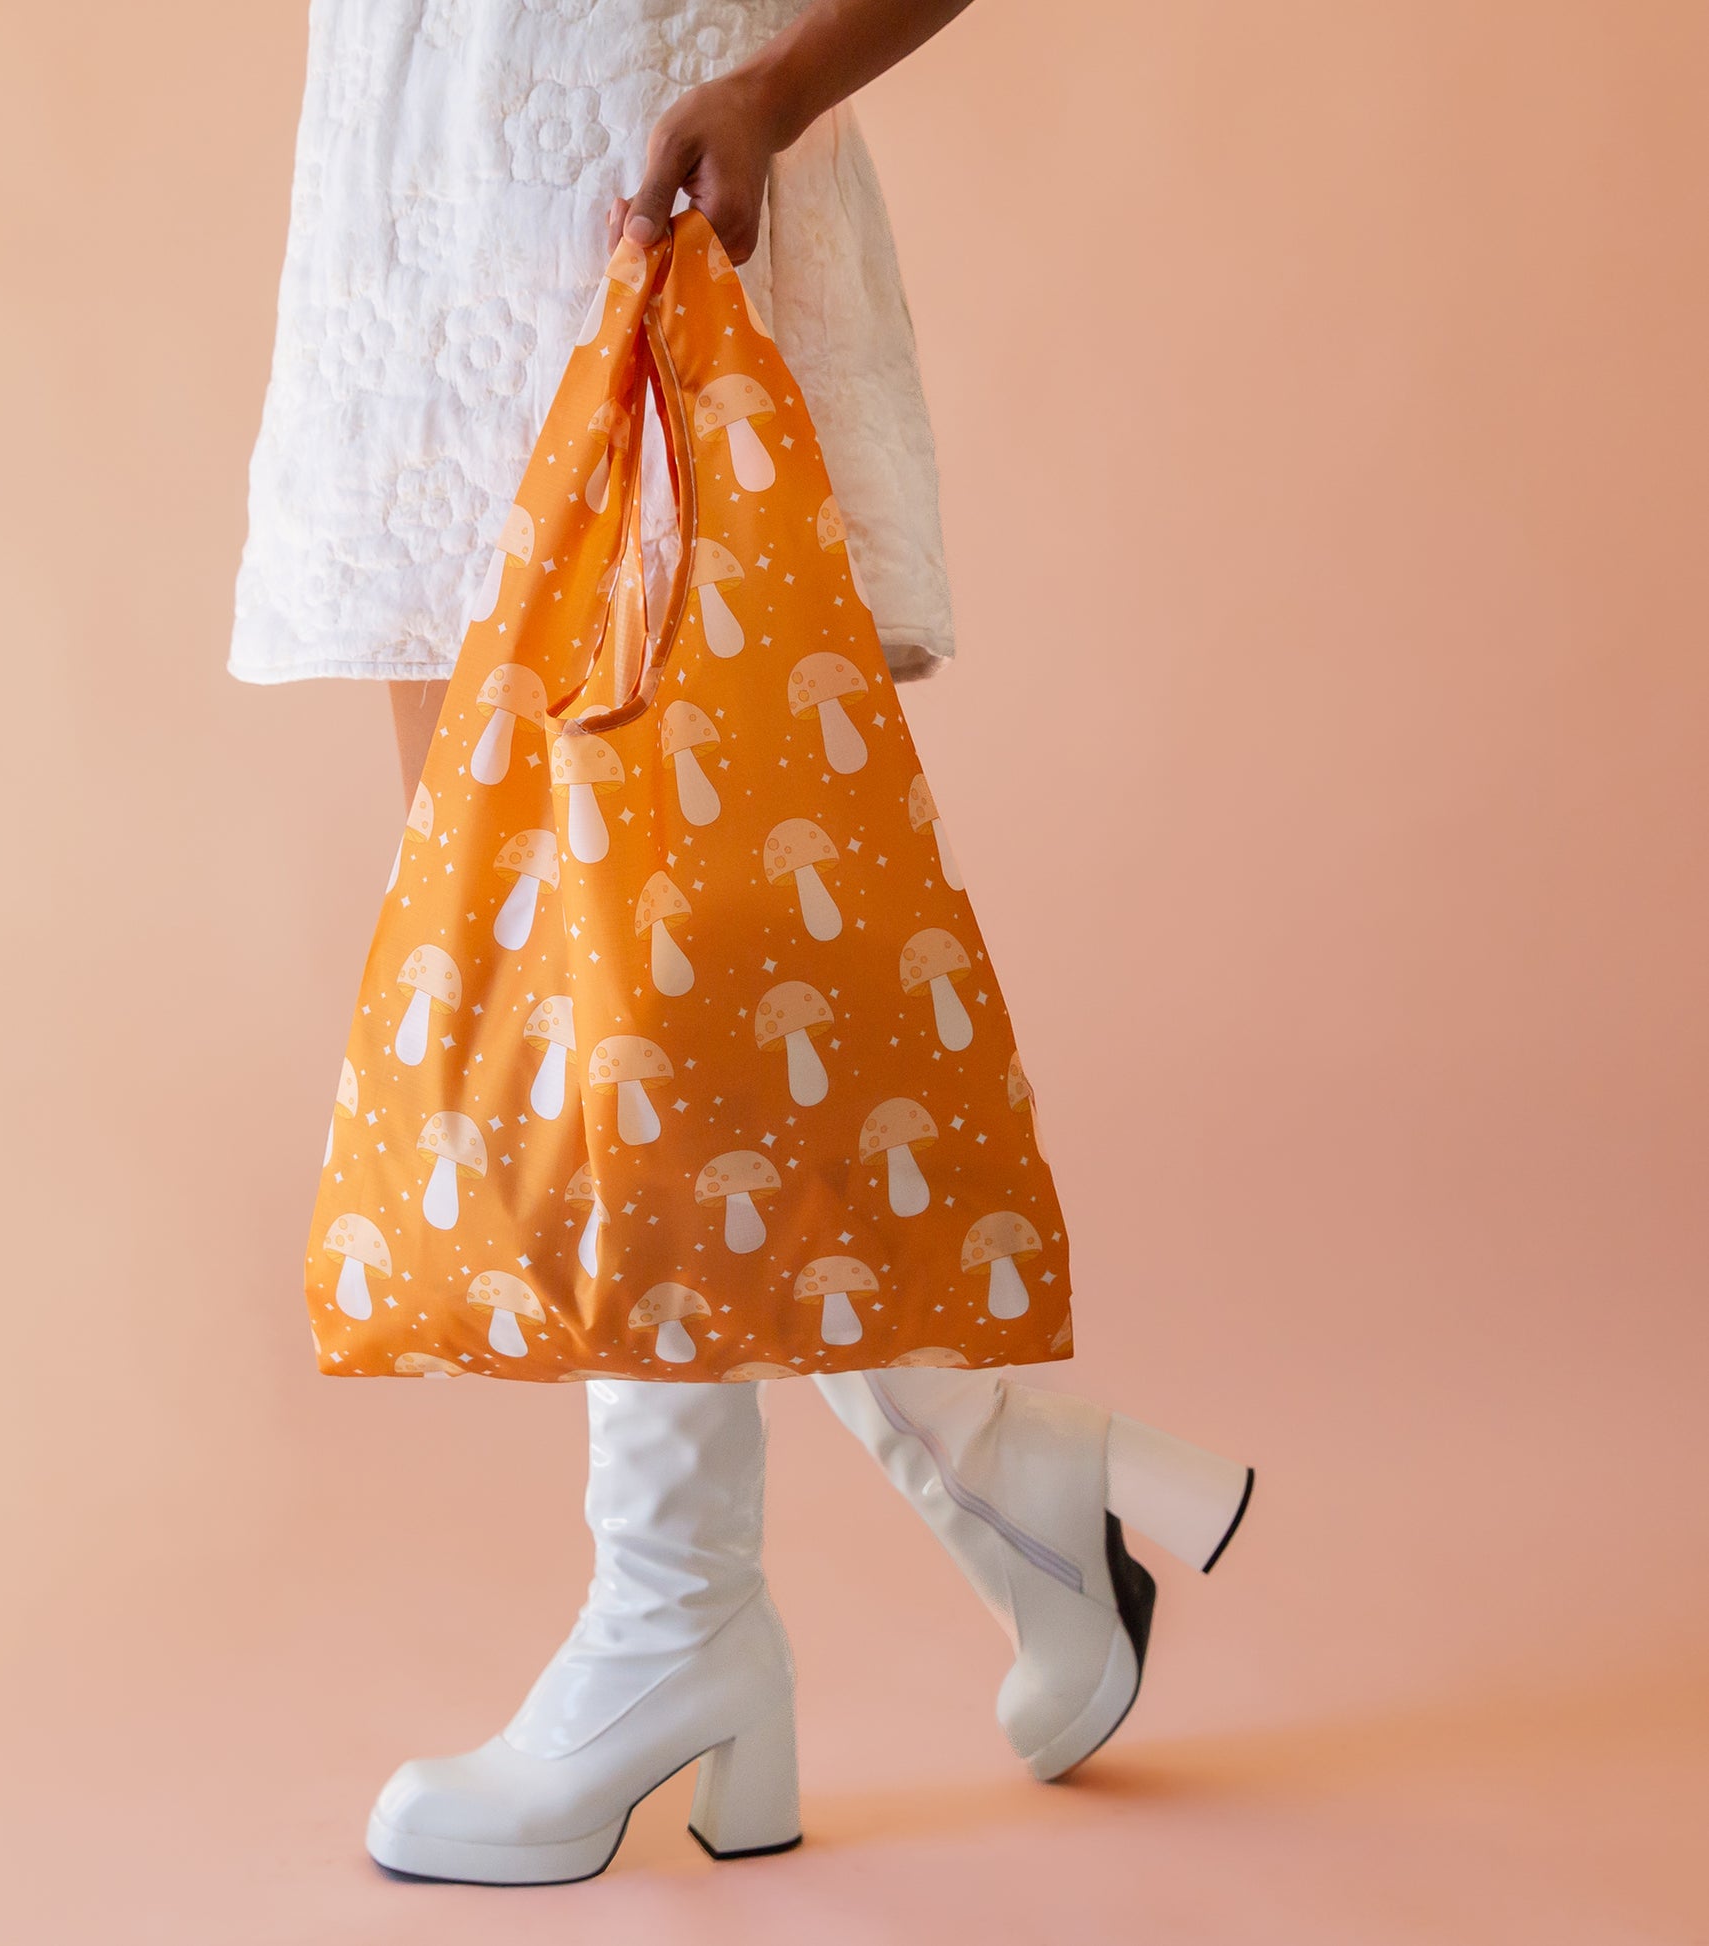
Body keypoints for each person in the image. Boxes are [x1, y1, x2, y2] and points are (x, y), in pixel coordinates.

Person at [232, 0, 1253, 1887]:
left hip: (637, 193)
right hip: (409, 223)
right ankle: (1001, 1483)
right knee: (564, 1007)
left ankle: (681, 1618)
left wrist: (781, 86)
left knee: (644, 986)